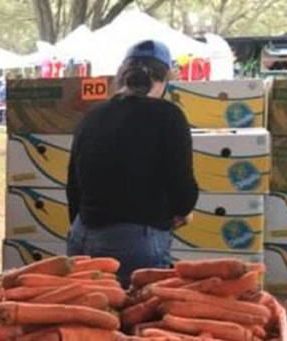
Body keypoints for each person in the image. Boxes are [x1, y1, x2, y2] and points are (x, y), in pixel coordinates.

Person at [66, 40, 198, 288]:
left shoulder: (93, 115)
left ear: (121, 75)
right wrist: (183, 210)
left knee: (87, 316)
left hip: (81, 234)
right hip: (135, 242)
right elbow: (182, 186)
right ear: (165, 78)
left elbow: (74, 183)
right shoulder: (168, 116)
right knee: (132, 320)